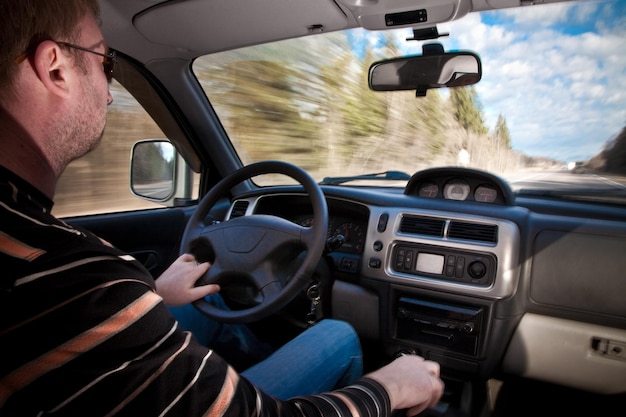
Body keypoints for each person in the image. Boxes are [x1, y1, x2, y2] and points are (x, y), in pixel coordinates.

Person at [0, 0, 445, 415]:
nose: (111, 92)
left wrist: (150, 294)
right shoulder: (73, 278)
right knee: (338, 334)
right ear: (55, 69)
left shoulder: (37, 249)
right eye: (106, 64)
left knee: (199, 306)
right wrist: (388, 388)